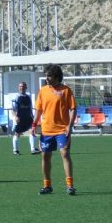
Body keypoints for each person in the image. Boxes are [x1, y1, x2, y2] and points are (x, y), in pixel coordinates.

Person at [32, 64, 77, 196]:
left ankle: (70, 185)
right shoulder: (43, 91)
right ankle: (47, 185)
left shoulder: (66, 90)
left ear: (57, 77)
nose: (46, 78)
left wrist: (70, 125)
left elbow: (73, 108)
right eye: (46, 75)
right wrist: (34, 124)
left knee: (65, 154)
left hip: (63, 130)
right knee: (45, 156)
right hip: (46, 130)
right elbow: (39, 110)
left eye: (49, 75)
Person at [12, 82, 41, 155]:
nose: (21, 88)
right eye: (20, 86)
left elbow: (30, 108)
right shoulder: (16, 97)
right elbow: (13, 109)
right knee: (17, 134)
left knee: (32, 131)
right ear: (19, 88)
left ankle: (33, 149)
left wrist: (33, 117)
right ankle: (15, 150)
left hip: (28, 118)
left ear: (26, 88)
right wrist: (16, 117)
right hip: (20, 119)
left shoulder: (28, 97)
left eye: (23, 86)